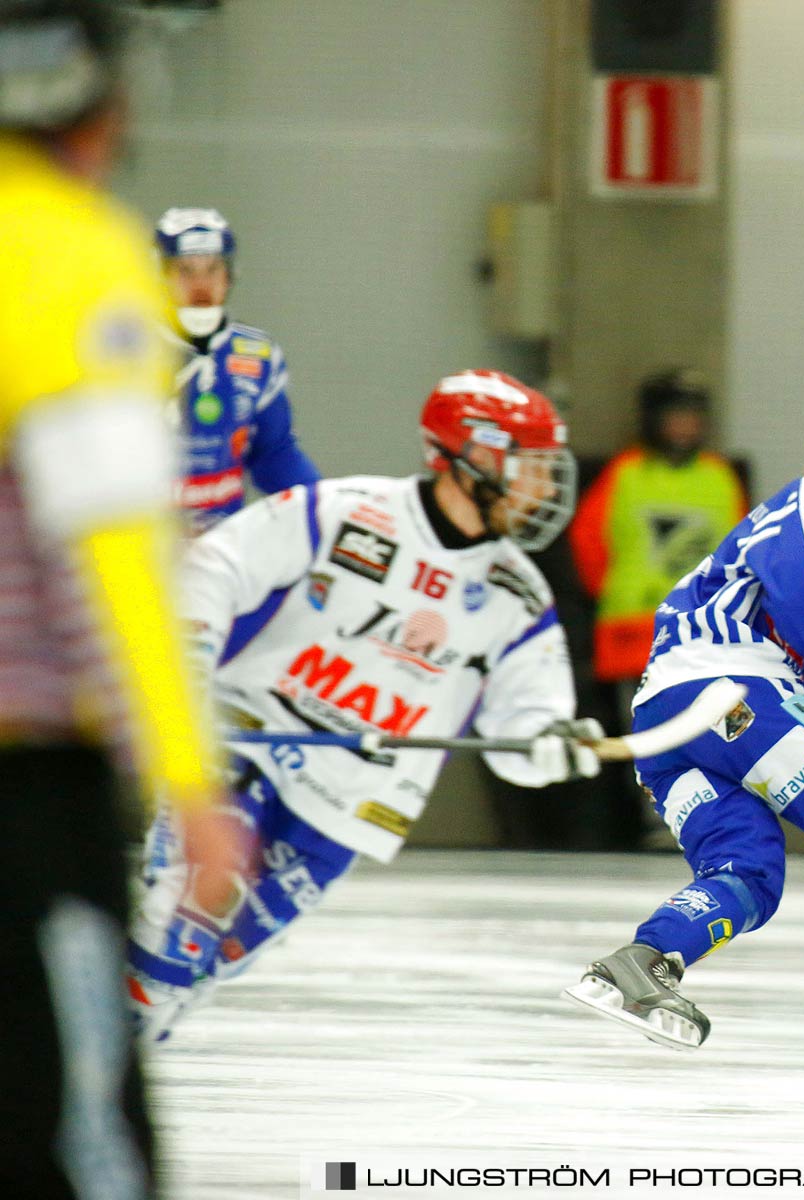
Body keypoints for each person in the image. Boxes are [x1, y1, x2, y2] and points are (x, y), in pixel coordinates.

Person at [126, 370, 605, 1043]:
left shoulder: (517, 595)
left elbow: (522, 721)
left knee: (210, 966)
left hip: (352, 806)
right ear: (466, 458)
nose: (544, 489)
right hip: (247, 744)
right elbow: (218, 565)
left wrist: (546, 742)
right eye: (529, 467)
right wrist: (191, 654)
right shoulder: (343, 511)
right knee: (175, 933)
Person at [0, 3, 243, 1196]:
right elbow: (113, 558)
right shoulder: (64, 252)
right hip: (23, 791)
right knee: (78, 1135)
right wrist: (188, 785)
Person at [564, 388, 804, 1069]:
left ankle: (640, 964)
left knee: (748, 869)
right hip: (733, 689)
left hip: (674, 710)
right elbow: (799, 599)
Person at [564, 369, 747, 848]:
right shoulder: (624, 475)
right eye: (674, 418)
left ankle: (704, 823)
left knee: (707, 732)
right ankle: (657, 823)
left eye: (693, 418)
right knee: (646, 734)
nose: (684, 428)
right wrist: (623, 593)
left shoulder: (719, 478)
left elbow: (743, 553)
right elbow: (588, 544)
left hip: (704, 637)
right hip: (635, 634)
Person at [155, 205, 320, 533]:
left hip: (222, 547)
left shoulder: (256, 354)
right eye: (185, 270)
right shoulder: (130, 349)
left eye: (212, 269)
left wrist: (324, 510)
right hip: (145, 546)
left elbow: (274, 454)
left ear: (229, 275)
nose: (200, 285)